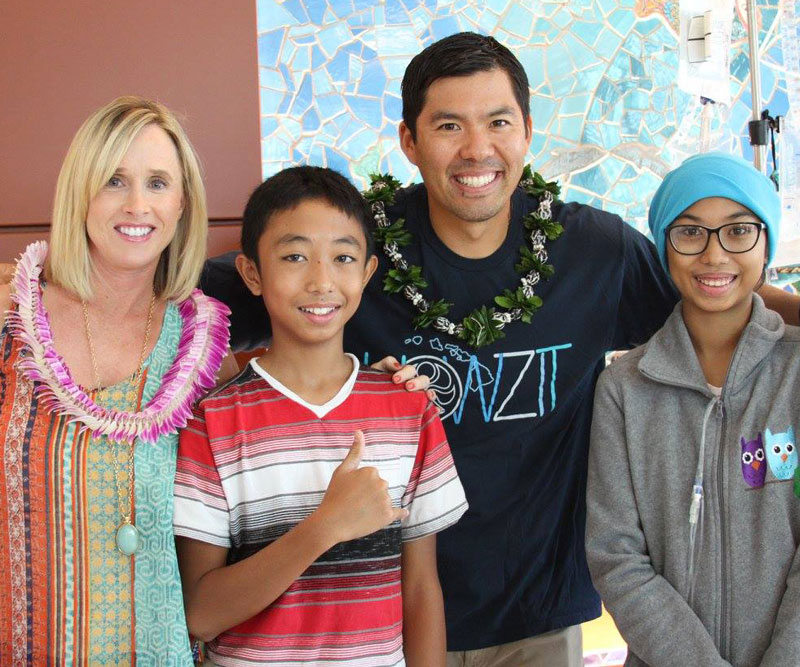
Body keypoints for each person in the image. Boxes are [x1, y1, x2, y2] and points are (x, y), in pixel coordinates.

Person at [200, 33, 800, 665]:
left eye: (498, 122)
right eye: (449, 125)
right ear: (408, 140)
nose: (476, 149)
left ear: (527, 131)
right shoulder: (349, 249)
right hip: (376, 616)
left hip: (536, 613)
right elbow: (196, 307)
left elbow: (715, 293)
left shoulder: (594, 250)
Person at [173, 165, 468, 666]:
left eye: (343, 258)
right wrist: (325, 525)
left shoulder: (407, 408)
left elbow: (420, 589)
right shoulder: (213, 420)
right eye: (294, 256)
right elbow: (201, 613)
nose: (321, 280)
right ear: (252, 273)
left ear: (367, 272)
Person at [0, 96, 232, 663]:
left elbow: (289, 396)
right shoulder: (12, 321)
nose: (137, 204)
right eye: (113, 181)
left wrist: (378, 382)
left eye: (157, 183)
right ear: (80, 193)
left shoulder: (199, 351)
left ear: (182, 204)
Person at [586, 152, 800, 666]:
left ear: (766, 242)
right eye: (690, 232)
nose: (714, 255)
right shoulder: (623, 388)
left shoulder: (795, 373)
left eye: (738, 231)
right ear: (663, 248)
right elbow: (616, 557)